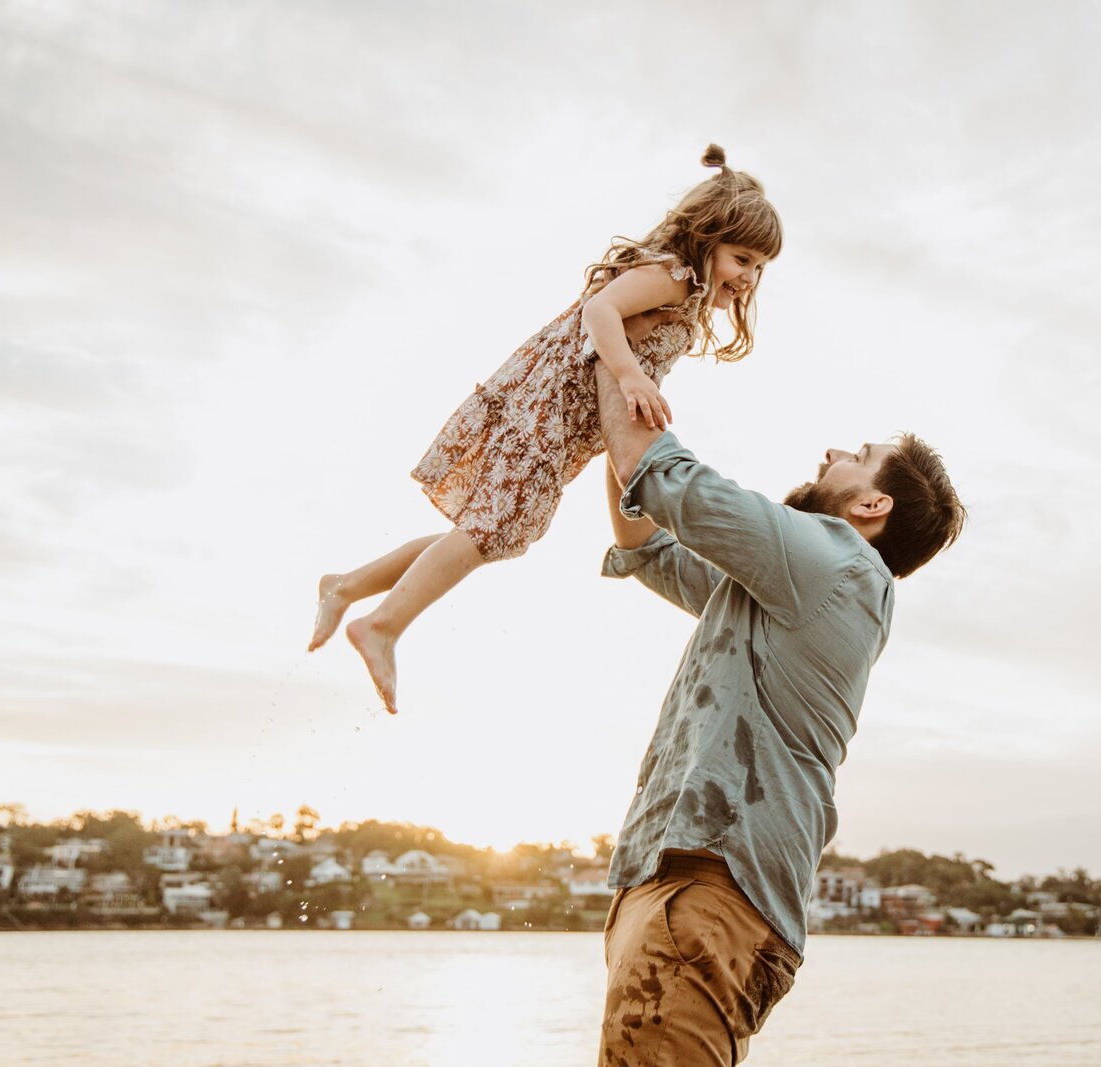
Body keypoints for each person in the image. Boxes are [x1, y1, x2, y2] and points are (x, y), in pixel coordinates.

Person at [306, 145, 782, 714]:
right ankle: (382, 626)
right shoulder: (674, 276)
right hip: (550, 408)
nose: (748, 276)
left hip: (561, 417)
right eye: (741, 258)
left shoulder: (681, 288)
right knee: (493, 530)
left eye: (758, 266)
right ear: (705, 241)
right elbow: (599, 312)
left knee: (487, 531)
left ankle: (345, 586)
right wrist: (631, 375)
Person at [590, 360, 965, 1065]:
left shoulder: (841, 564)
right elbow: (647, 543)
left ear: (871, 507)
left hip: (710, 889)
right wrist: (617, 426)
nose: (832, 453)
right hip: (690, 888)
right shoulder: (790, 586)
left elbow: (667, 479)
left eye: (858, 458)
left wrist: (617, 353)